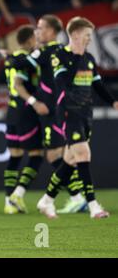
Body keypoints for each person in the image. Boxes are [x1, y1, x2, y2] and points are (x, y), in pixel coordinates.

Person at [37, 17, 118, 219]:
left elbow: (98, 85)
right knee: (83, 154)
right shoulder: (60, 56)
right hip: (68, 112)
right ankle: (93, 206)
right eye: (87, 35)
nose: (90, 39)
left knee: (70, 160)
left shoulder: (89, 58)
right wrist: (75, 57)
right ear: (74, 35)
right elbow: (61, 83)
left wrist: (114, 102)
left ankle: (46, 200)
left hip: (85, 114)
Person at [10, 15, 88, 213]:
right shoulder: (58, 50)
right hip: (59, 108)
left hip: (53, 110)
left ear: (52, 31)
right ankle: (79, 196)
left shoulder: (48, 50)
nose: (37, 31)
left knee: (55, 154)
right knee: (64, 153)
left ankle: (79, 197)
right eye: (37, 28)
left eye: (41, 28)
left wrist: (10, 56)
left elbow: (20, 64)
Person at [2, 25, 45, 214]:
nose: (37, 41)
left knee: (15, 156)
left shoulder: (10, 60)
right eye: (35, 38)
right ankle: (17, 194)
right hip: (26, 111)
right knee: (36, 155)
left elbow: (13, 59)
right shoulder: (27, 61)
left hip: (11, 111)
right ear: (29, 41)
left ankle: (8, 202)